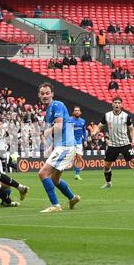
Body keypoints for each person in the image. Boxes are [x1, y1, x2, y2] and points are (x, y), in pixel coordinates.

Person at [36, 83, 81, 213]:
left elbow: (59, 126)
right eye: (42, 93)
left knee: (43, 173)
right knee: (55, 179)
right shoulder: (48, 111)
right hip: (62, 145)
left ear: (52, 94)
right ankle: (72, 198)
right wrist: (52, 146)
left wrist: (45, 133)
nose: (45, 95)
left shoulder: (57, 105)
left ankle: (56, 205)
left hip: (66, 146)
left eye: (47, 93)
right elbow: (58, 131)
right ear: (39, 95)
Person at [91, 97, 134, 189]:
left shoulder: (126, 116)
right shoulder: (107, 115)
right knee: (106, 166)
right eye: (115, 102)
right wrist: (94, 132)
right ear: (112, 104)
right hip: (112, 145)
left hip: (125, 144)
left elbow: (132, 129)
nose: (117, 104)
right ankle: (108, 183)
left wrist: (133, 140)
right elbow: (99, 127)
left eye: (119, 103)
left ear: (121, 105)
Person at [70, 106, 87, 180]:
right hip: (70, 142)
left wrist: (85, 140)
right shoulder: (69, 120)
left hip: (79, 141)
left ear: (80, 112)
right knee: (66, 158)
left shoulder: (83, 121)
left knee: (79, 157)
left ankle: (77, 174)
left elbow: (84, 131)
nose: (77, 111)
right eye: (75, 110)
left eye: (78, 110)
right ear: (73, 112)